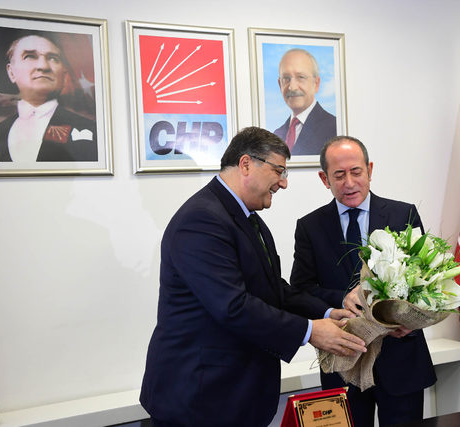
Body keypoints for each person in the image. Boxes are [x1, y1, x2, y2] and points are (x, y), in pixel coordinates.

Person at [140, 127, 366, 427]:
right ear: (246, 163)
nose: (283, 183)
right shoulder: (201, 220)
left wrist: (327, 312)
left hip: (236, 397)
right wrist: (310, 331)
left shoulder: (247, 218)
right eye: (279, 171)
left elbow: (273, 290)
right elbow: (232, 306)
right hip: (200, 399)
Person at [290, 136, 436, 425]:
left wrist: (412, 320)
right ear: (324, 179)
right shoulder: (310, 226)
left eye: (356, 172)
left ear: (370, 170)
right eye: (339, 175)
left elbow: (425, 278)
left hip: (401, 358)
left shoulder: (402, 214)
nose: (349, 183)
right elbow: (300, 291)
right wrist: (339, 300)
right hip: (342, 363)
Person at [0, 31, 97, 162]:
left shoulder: (91, 129)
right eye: (29, 56)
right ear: (11, 72)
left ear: (64, 75)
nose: (43, 66)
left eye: (53, 58)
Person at [273, 48, 336, 156]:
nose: (292, 87)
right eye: (286, 79)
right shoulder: (277, 134)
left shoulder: (334, 128)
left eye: (300, 77)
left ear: (316, 83)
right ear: (280, 85)